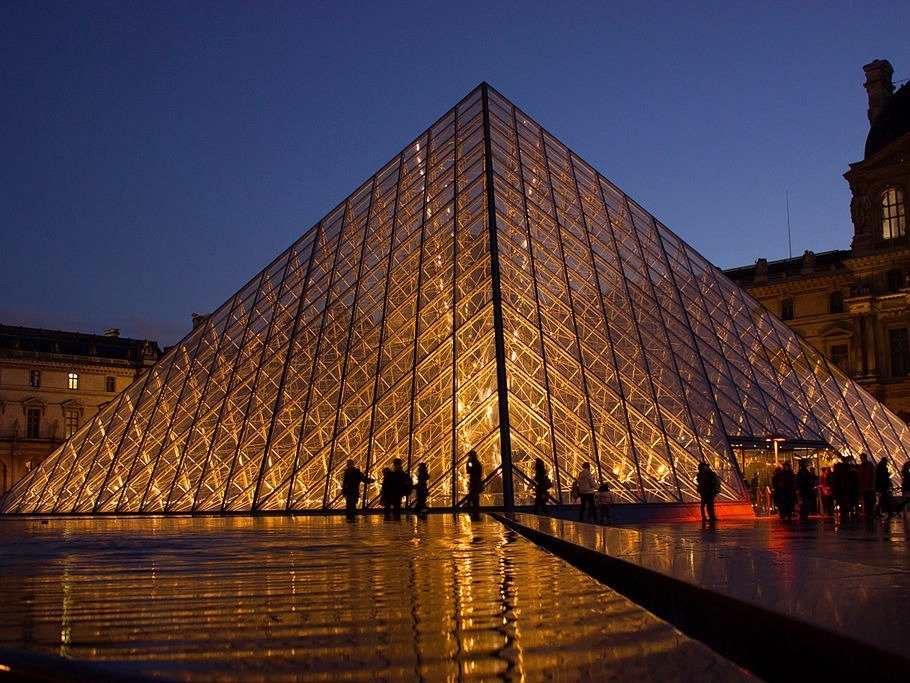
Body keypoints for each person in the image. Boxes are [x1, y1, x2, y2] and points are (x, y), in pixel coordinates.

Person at [858, 452, 876, 523]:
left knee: (869, 501)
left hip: (868, 487)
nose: (861, 459)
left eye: (861, 458)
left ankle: (870, 513)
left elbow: (872, 477)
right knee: (866, 501)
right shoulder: (863, 465)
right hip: (865, 487)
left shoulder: (869, 465)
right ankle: (868, 513)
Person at [466, 450, 483, 519]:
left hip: (474, 482)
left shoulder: (472, 463)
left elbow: (469, 471)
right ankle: (475, 511)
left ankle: (473, 511)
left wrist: (468, 463)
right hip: (476, 482)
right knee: (474, 498)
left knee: (472, 498)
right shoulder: (477, 463)